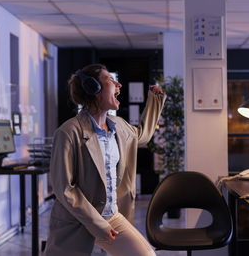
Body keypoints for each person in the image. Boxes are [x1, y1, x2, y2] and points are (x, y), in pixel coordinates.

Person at [44, 63, 166, 256]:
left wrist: (155, 100)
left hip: (111, 215)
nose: (118, 85)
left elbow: (141, 135)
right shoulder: (68, 132)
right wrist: (98, 224)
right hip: (77, 220)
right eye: (110, 79)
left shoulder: (118, 126)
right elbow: (65, 188)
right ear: (94, 88)